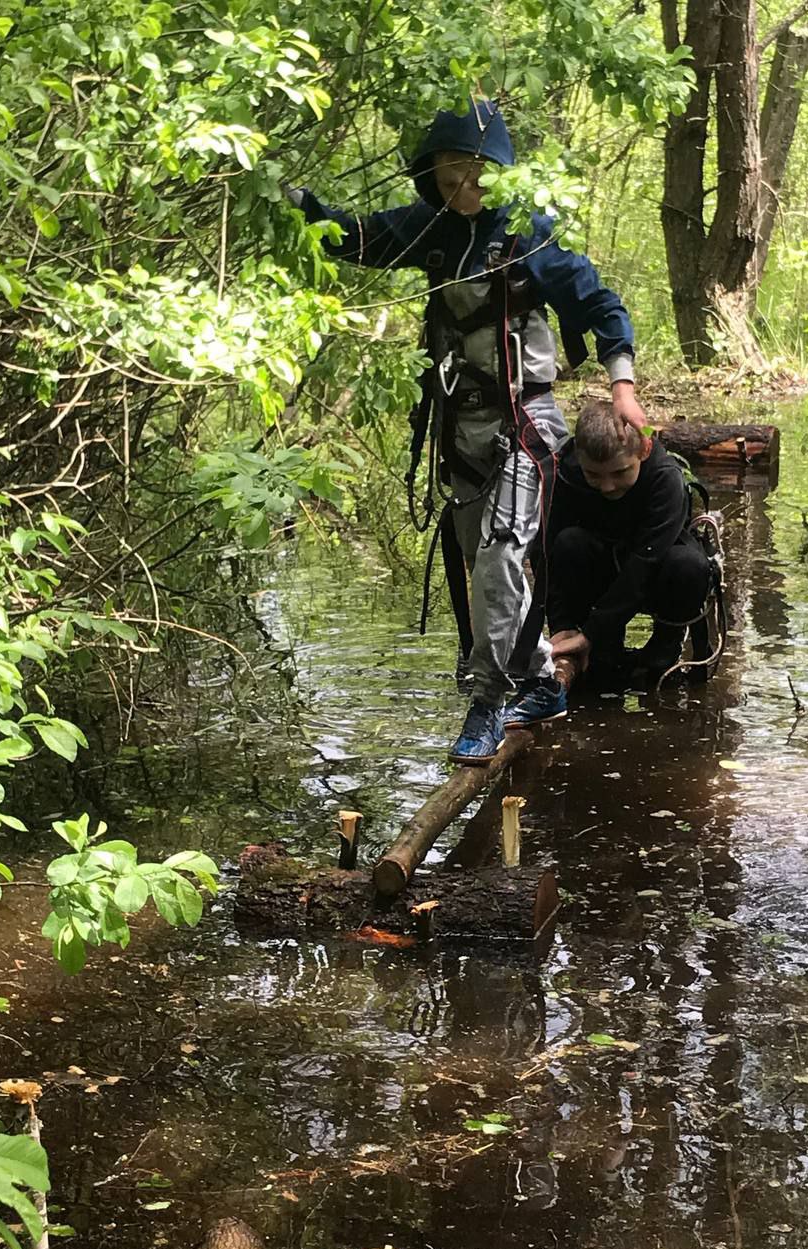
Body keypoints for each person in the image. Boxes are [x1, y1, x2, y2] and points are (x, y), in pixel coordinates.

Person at [288, 98, 645, 762]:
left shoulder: (530, 236)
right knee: (476, 570)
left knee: (502, 558)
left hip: (526, 423)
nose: (464, 189)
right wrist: (297, 200)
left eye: (476, 175)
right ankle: (541, 677)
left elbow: (598, 302)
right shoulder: (429, 229)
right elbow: (354, 235)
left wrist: (622, 382)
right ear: (434, 174)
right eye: (451, 175)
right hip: (459, 428)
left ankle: (486, 703)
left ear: (501, 172)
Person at [511, 399, 710, 708]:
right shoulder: (564, 473)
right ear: (580, 459)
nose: (607, 486)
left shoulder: (665, 478)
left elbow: (645, 562)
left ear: (642, 452)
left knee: (690, 566)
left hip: (654, 572)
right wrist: (563, 626)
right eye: (594, 475)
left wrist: (591, 632)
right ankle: (601, 655)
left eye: (619, 473)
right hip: (597, 569)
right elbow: (546, 552)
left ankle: (663, 650)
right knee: (568, 543)